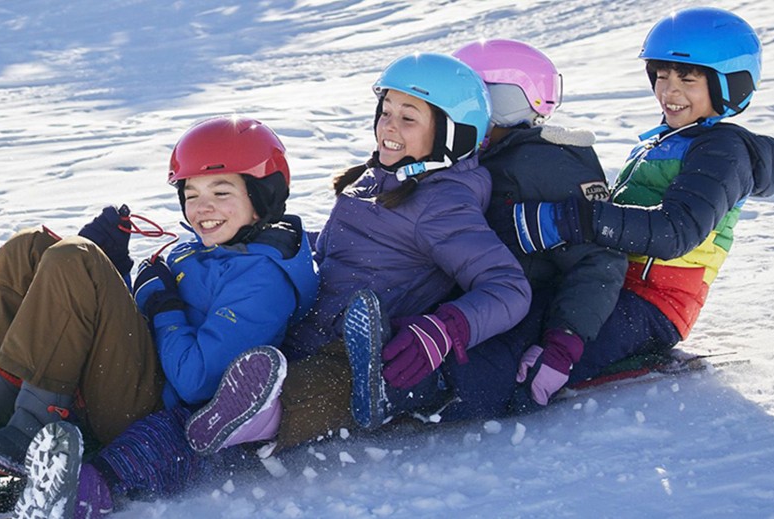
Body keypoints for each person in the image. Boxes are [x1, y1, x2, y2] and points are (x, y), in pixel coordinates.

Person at [0, 116, 318, 512]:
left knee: (74, 260)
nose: (203, 208)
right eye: (191, 193)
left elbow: (197, 383)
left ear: (262, 195)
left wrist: (163, 307)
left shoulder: (263, 281)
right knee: (29, 248)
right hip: (133, 375)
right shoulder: (213, 245)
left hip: (153, 407)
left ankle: (31, 426)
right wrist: (116, 270)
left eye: (221, 191)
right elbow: (141, 319)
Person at [183, 52, 531, 456]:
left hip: (352, 344)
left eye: (408, 117)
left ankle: (256, 415)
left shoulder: (444, 204)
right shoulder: (379, 176)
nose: (388, 126)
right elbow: (344, 248)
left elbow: (508, 288)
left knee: (330, 377)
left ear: (451, 135)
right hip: (308, 314)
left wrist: (443, 330)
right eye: (385, 111)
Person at [501, 7, 774, 393]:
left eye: (688, 79)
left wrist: (576, 220)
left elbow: (675, 231)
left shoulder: (723, 152)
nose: (670, 92)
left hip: (653, 305)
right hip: (610, 283)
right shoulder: (664, 142)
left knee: (527, 365)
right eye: (662, 77)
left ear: (729, 85)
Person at [426, 38, 627, 422]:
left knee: (479, 378)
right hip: (472, 293)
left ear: (503, 100)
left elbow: (600, 258)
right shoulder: (471, 154)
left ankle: (419, 392)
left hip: (528, 302)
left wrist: (563, 344)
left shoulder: (550, 161)